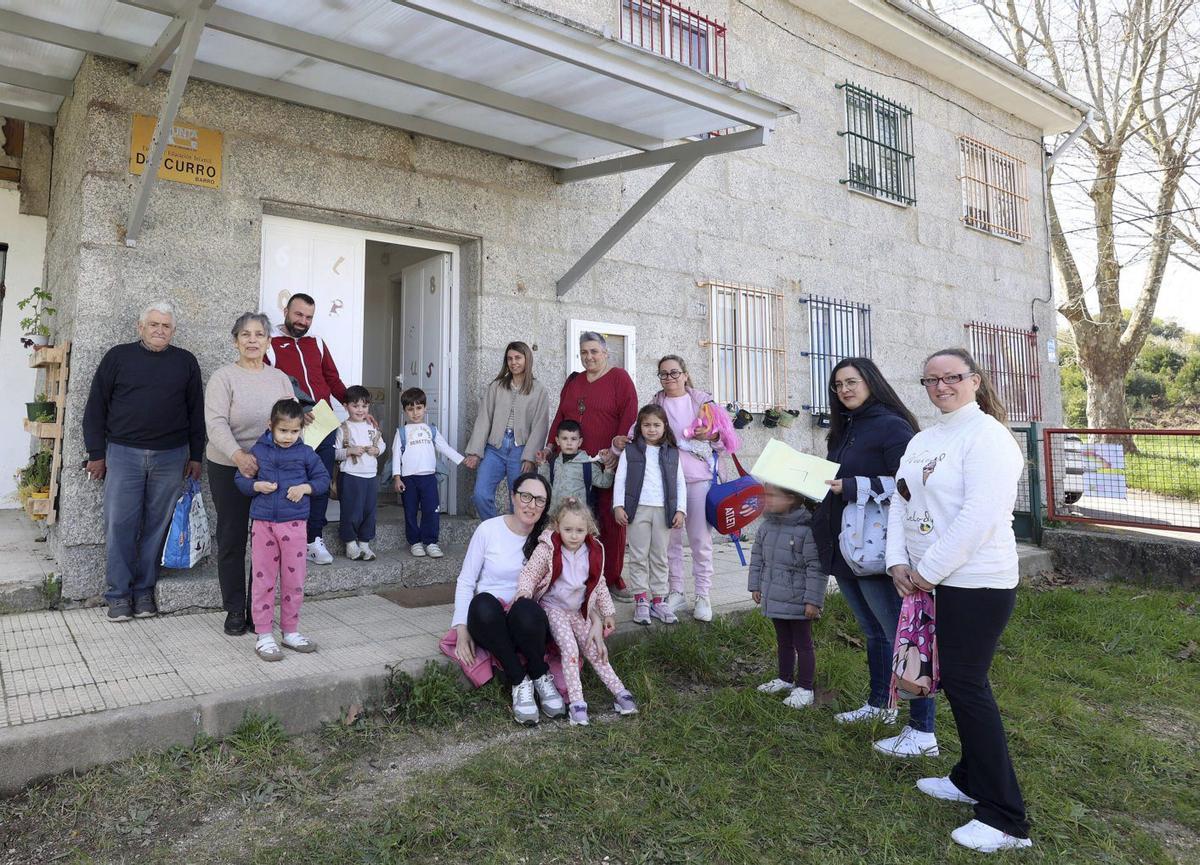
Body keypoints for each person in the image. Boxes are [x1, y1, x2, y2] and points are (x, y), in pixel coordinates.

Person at [886, 348, 1032, 854]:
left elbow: (979, 517)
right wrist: (895, 561)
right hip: (930, 579)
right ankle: (969, 779)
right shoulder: (925, 439)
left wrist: (926, 572)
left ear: (975, 379)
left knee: (969, 687)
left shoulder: (989, 436)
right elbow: (900, 501)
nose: (941, 386)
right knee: (954, 684)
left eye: (951, 377)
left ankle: (1005, 818)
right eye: (930, 380)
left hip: (977, 581)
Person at [810, 358, 934, 756]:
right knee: (875, 633)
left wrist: (851, 485)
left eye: (852, 382)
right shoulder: (847, 427)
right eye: (838, 385)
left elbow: (910, 485)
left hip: (880, 548)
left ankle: (922, 729)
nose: (844, 390)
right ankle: (880, 705)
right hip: (846, 547)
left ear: (871, 382)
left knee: (903, 637)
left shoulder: (892, 425)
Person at [82, 301, 205, 622]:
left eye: (165, 326)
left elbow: (196, 413)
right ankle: (118, 594)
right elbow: (95, 408)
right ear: (140, 327)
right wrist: (96, 454)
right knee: (120, 524)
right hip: (123, 455)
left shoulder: (186, 362)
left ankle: (144, 590)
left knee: (156, 526)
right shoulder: (118, 357)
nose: (159, 331)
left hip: (171, 456)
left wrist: (195, 455)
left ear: (173, 331)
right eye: (153, 325)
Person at [449, 472, 566, 726]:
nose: (531, 505)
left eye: (539, 500)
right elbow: (466, 581)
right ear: (513, 497)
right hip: (491, 623)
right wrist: (461, 629)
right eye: (526, 496)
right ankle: (518, 680)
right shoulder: (488, 529)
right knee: (482, 604)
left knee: (525, 608)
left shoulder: (548, 539)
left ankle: (539, 674)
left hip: (527, 624)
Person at [205, 312, 295, 636]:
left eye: (259, 334)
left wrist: (303, 423)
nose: (253, 340)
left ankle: (258, 609)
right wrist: (239, 455)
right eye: (246, 335)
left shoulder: (280, 379)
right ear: (235, 341)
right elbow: (215, 423)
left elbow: (289, 417)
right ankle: (233, 608)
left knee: (266, 541)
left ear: (269, 341)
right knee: (232, 538)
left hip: (270, 469)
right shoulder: (223, 377)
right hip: (229, 465)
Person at [516, 498, 638, 726]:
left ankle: (620, 692)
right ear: (557, 526)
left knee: (594, 649)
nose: (573, 535)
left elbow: (599, 583)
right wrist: (524, 592)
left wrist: (608, 612)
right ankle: (577, 703)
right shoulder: (548, 548)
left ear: (589, 530)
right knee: (570, 649)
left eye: (579, 530)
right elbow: (530, 572)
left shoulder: (593, 551)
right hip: (553, 608)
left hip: (578, 611)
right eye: (568, 529)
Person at [638, 354, 732, 623]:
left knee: (700, 540)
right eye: (664, 374)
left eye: (674, 373)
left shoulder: (703, 402)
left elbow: (727, 441)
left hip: (699, 478)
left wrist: (712, 436)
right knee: (671, 541)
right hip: (666, 481)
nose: (669, 378)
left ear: (685, 374)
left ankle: (703, 595)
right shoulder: (656, 403)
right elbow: (640, 433)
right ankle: (676, 590)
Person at [234, 399, 330, 661]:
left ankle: (290, 632)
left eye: (294, 431)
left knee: (294, 581)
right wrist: (256, 486)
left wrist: (305, 488)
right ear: (270, 426)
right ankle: (264, 635)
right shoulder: (259, 451)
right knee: (263, 580)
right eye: (283, 431)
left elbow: (323, 480)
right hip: (263, 525)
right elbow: (241, 478)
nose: (289, 437)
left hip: (295, 525)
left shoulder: (306, 453)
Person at [546, 332, 638, 594]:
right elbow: (561, 416)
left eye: (594, 351)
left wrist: (614, 450)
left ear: (606, 353)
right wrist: (550, 446)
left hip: (606, 461)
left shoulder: (619, 378)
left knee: (610, 519)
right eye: (584, 352)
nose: (589, 357)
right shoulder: (574, 381)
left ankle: (611, 578)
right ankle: (577, 576)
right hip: (575, 464)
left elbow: (629, 414)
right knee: (574, 518)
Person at [266, 293, 351, 567]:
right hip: (292, 425)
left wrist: (356, 409)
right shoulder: (270, 344)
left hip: (323, 423)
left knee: (320, 483)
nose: (303, 321)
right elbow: (268, 385)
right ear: (286, 311)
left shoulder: (318, 343)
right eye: (298, 314)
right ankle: (287, 540)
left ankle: (314, 539)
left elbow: (332, 379)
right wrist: (298, 409)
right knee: (290, 485)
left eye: (309, 317)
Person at [747, 474, 826, 710]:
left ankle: (805, 687)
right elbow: (757, 557)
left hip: (799, 600)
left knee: (803, 643)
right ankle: (784, 678)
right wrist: (755, 585)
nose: (767, 500)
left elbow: (817, 567)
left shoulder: (807, 530)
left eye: (772, 495)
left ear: (791, 499)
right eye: (765, 495)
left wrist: (813, 600)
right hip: (775, 596)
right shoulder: (766, 526)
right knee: (783, 641)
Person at [613, 405, 687, 626]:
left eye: (656, 425)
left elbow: (680, 483)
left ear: (665, 427)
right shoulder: (631, 451)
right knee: (638, 555)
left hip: (664, 510)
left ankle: (659, 600)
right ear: (639, 427)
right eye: (646, 425)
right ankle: (641, 600)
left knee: (659, 556)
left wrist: (681, 510)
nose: (652, 429)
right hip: (638, 509)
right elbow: (620, 478)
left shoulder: (672, 452)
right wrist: (618, 505)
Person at [463, 342, 549, 519]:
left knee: (519, 500)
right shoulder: (497, 386)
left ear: (527, 359)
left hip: (521, 450)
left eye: (518, 358)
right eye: (509, 358)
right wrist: (475, 452)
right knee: (480, 495)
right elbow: (484, 418)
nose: (513, 362)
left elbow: (541, 425)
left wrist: (530, 457)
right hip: (495, 448)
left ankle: (516, 540)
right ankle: (496, 531)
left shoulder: (538, 390)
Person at [391, 387, 465, 558]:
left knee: (431, 510)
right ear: (404, 411)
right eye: (410, 409)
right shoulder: (401, 432)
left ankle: (431, 542)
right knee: (410, 511)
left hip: (429, 479)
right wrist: (397, 478)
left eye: (418, 408)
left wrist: (462, 460)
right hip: (408, 480)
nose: (415, 413)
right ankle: (415, 542)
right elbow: (396, 456)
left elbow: (444, 448)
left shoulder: (431, 430)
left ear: (425, 408)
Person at [335, 385, 385, 561]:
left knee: (368, 511)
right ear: (345, 406)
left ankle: (364, 543)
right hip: (350, 476)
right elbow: (335, 452)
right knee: (351, 511)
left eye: (364, 406)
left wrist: (376, 450)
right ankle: (350, 544)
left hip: (371, 476)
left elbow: (382, 444)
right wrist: (349, 451)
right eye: (355, 406)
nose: (360, 410)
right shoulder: (343, 428)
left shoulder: (372, 427)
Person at [539, 419, 613, 508]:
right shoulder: (555, 462)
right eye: (564, 438)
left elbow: (605, 483)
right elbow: (546, 483)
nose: (569, 443)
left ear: (580, 442)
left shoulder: (587, 465)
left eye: (573, 439)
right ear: (557, 441)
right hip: (554, 515)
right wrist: (543, 464)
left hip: (576, 517)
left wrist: (608, 466)